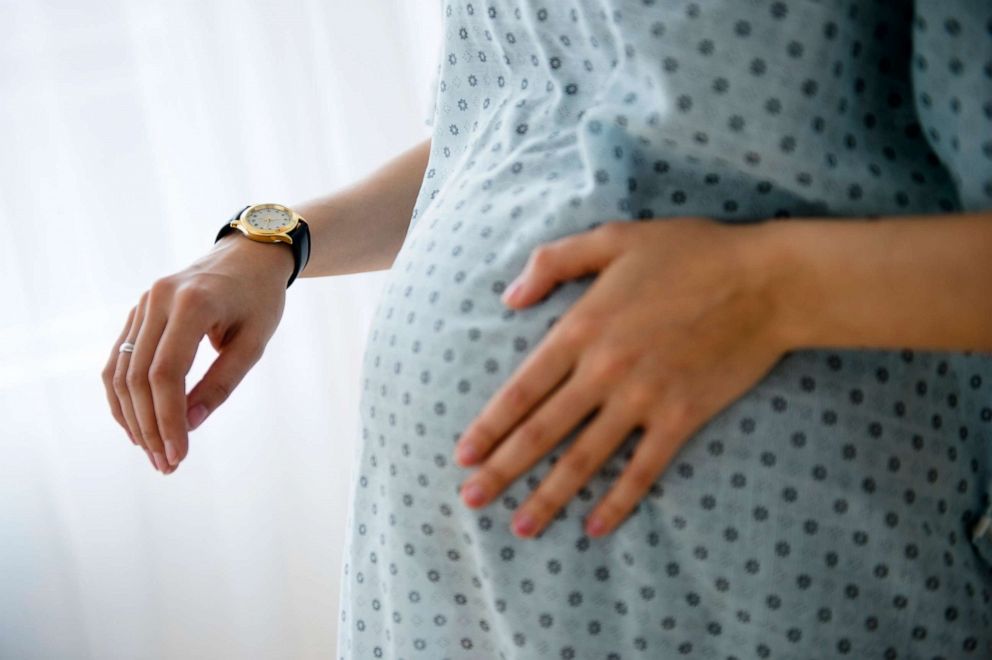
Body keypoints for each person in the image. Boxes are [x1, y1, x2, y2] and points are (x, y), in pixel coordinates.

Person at [103, 0, 992, 657]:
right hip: (437, 589)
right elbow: (519, 129)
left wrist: (767, 287)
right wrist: (272, 241)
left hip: (764, 574)